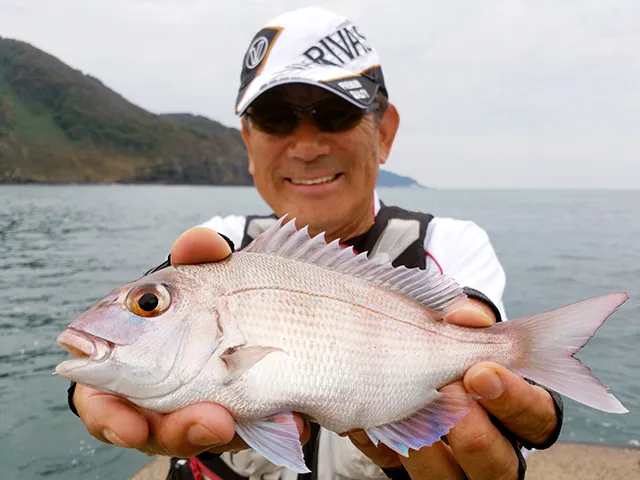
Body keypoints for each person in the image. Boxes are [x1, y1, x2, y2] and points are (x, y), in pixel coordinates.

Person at [65, 6, 563, 480]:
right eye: (277, 119)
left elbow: (479, 341)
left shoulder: (450, 245)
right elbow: (155, 331)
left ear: (384, 132)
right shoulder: (221, 245)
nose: (306, 146)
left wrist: (522, 394)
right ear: (248, 143)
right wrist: (94, 382)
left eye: (335, 113)